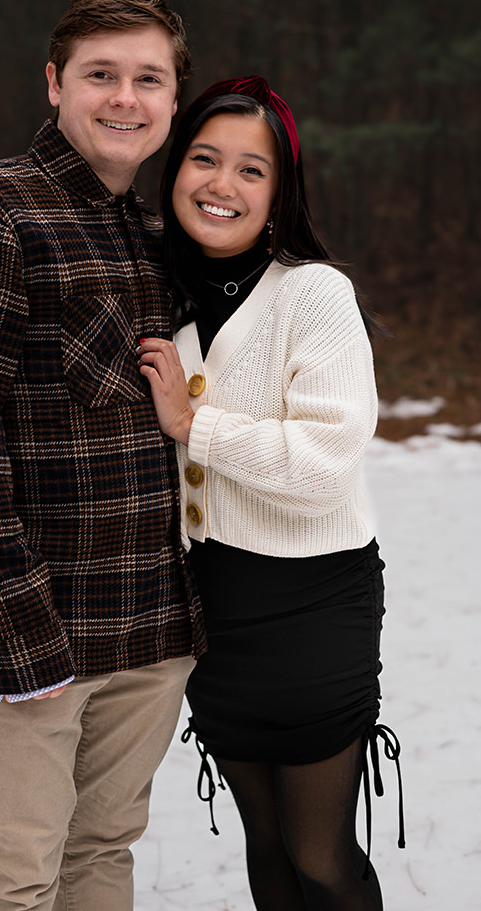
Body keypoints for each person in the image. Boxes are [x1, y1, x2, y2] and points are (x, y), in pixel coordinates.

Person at [0, 0, 206, 911]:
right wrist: (21, 632)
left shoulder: (161, 238)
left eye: (148, 78)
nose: (125, 97)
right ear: (54, 84)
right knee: (14, 879)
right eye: (100, 75)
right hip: (29, 634)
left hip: (150, 624)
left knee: (103, 853)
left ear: (171, 99)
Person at [138, 76, 405, 910]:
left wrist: (194, 425)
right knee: (264, 850)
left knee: (319, 854)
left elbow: (325, 460)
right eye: (204, 159)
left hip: (312, 605)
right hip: (213, 614)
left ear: (280, 193)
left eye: (251, 171)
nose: (222, 185)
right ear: (174, 167)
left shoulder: (313, 293)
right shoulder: (158, 295)